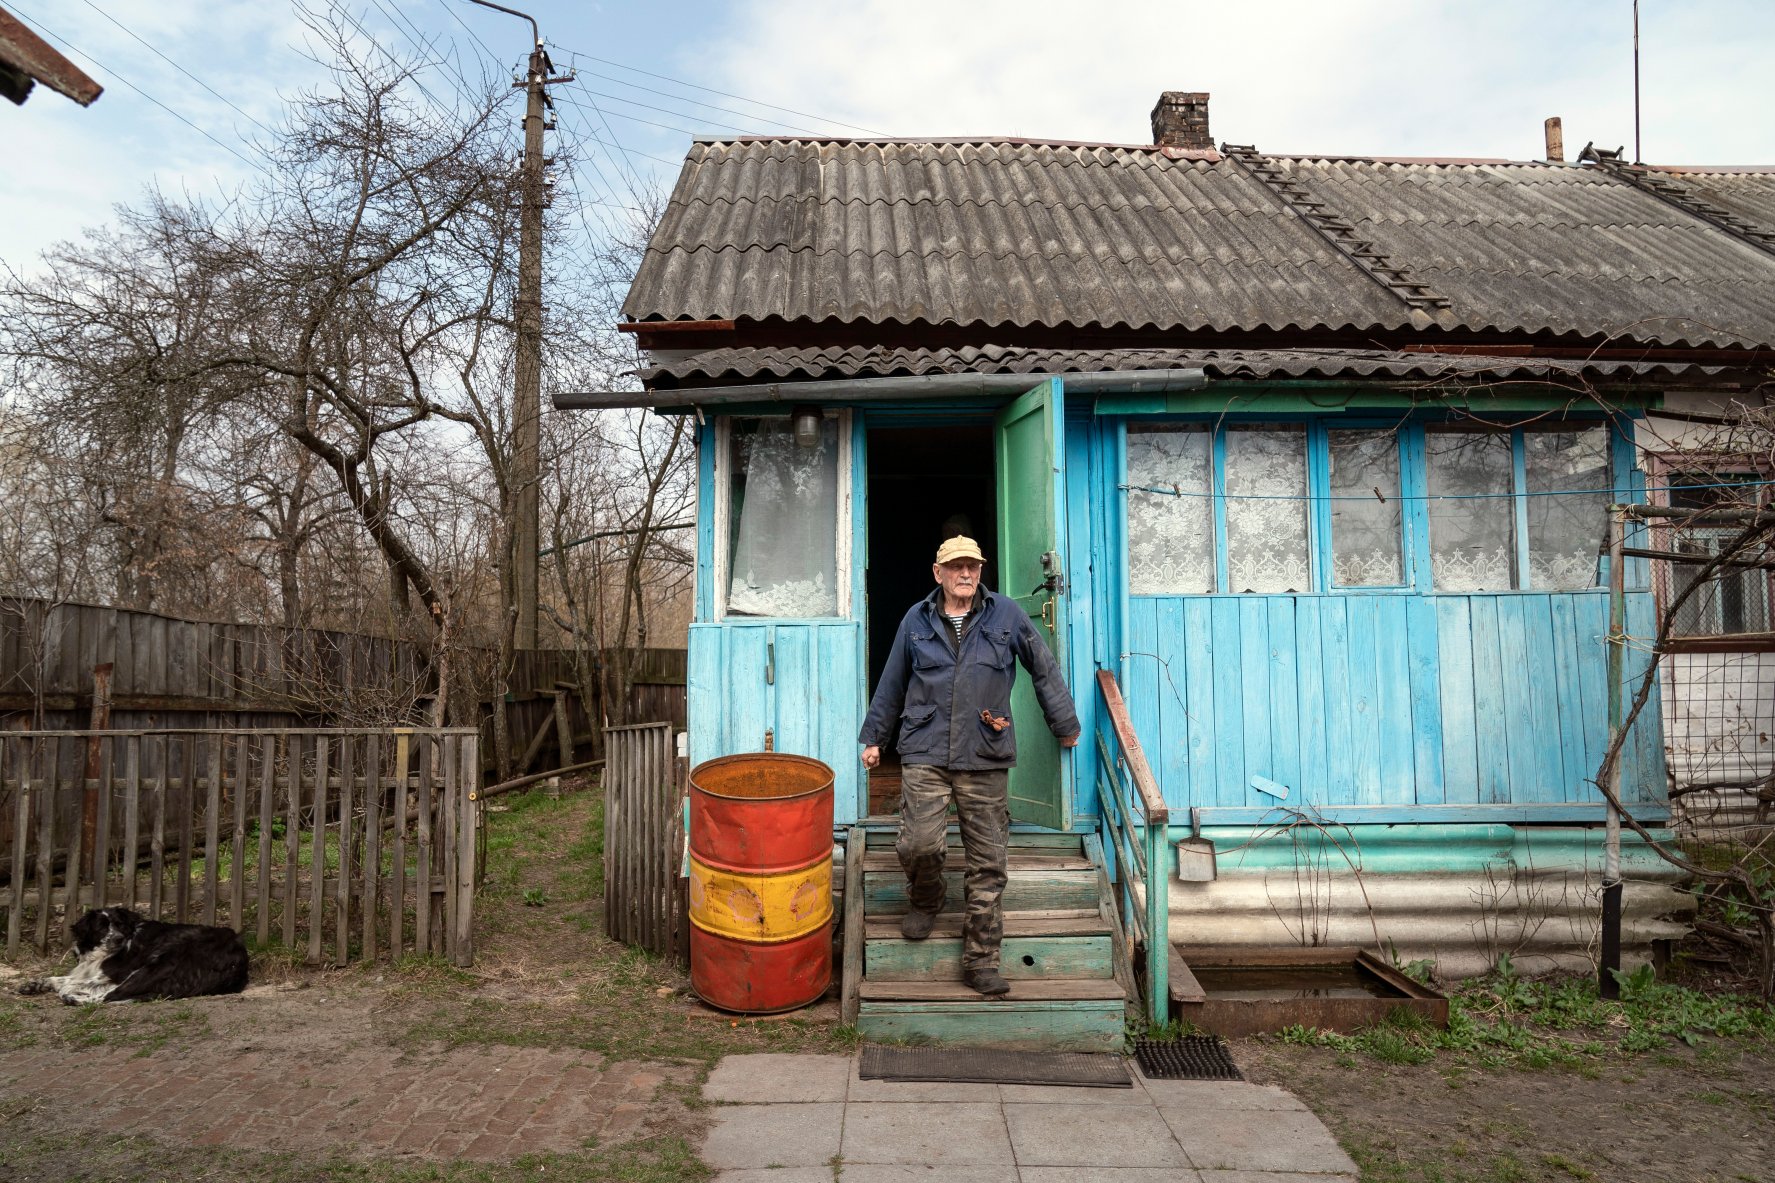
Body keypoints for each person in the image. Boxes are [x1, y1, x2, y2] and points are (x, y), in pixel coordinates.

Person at [859, 535, 1080, 996]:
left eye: (973, 567)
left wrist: (1064, 723)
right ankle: (927, 897)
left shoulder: (1007, 615)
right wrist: (874, 737)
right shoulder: (916, 620)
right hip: (925, 747)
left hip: (984, 749)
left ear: (981, 571)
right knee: (919, 844)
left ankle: (981, 959)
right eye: (956, 566)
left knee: (989, 862)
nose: (966, 574)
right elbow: (893, 680)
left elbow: (1043, 668)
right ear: (937, 572)